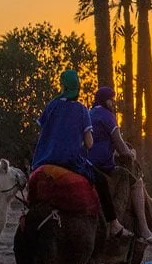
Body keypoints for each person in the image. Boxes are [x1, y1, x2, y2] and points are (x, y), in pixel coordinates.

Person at [31, 70, 131, 240]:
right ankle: (114, 224)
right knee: (100, 181)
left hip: (42, 160)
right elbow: (89, 143)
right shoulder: (81, 110)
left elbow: (42, 128)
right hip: (70, 162)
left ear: (62, 86)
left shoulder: (52, 105)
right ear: (77, 88)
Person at [88, 86, 152, 245]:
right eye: (112, 100)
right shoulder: (107, 116)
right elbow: (119, 144)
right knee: (137, 182)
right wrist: (131, 154)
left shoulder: (89, 113)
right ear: (107, 100)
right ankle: (143, 228)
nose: (113, 103)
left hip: (86, 164)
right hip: (102, 166)